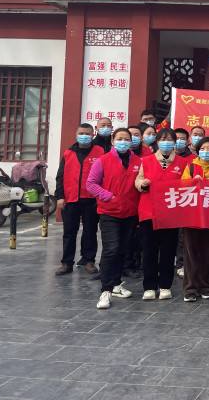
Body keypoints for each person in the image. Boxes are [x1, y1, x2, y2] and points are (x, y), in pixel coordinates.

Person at [86, 128, 141, 309]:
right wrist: (109, 196)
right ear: (112, 141)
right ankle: (106, 290)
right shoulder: (103, 160)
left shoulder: (138, 162)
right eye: (120, 138)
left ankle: (116, 284)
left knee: (123, 250)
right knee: (111, 250)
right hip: (109, 212)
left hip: (130, 213)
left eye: (127, 139)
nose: (123, 142)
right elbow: (91, 184)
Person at [135, 128, 189, 300]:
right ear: (157, 142)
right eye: (163, 139)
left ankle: (165, 285)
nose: (166, 142)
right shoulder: (146, 160)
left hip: (171, 213)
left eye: (170, 139)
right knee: (149, 250)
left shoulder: (183, 163)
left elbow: (187, 184)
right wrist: (142, 184)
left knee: (168, 250)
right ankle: (149, 287)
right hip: (149, 211)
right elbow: (138, 179)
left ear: (175, 142)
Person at [55, 123, 104, 276]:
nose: (84, 136)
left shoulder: (100, 152)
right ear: (76, 135)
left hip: (91, 199)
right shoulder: (68, 152)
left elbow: (105, 175)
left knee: (90, 231)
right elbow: (60, 176)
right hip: (71, 199)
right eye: (81, 133)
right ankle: (66, 263)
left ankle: (89, 260)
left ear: (93, 135)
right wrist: (60, 196)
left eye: (88, 134)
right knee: (69, 232)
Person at [180, 137, 209, 302]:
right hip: (192, 215)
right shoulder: (190, 166)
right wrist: (192, 182)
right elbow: (182, 186)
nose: (206, 151)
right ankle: (189, 288)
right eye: (202, 148)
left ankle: (204, 286)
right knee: (190, 252)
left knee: (206, 252)